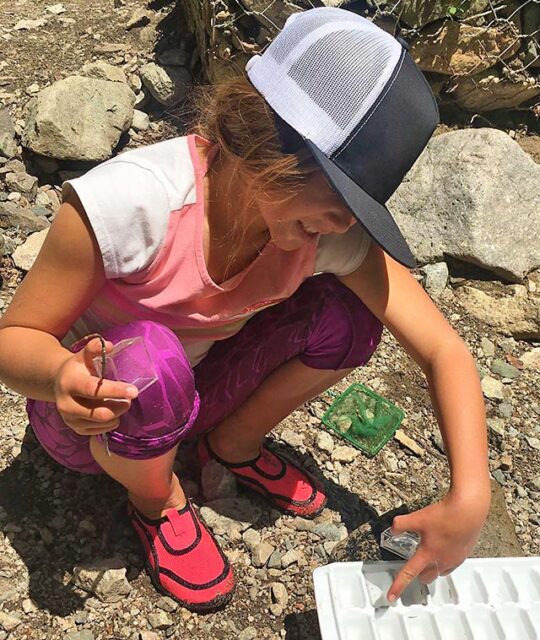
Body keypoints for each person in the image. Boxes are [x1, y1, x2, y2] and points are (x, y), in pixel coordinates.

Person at [0, 7, 491, 613]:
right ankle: (158, 501)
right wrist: (58, 377)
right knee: (150, 358)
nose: (342, 224)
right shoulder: (130, 206)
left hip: (194, 389)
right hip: (96, 419)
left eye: (360, 209)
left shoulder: (319, 230)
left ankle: (230, 443)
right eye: (339, 195)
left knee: (350, 315)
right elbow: (14, 338)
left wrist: (470, 496)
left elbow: (442, 347)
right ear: (261, 140)